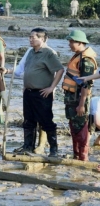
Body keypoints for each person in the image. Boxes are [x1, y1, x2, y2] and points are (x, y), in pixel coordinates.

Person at [22, 28, 64, 157]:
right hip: (28, 92)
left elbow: (60, 70)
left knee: (46, 121)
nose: (30, 39)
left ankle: (53, 150)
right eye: (29, 37)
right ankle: (28, 147)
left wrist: (51, 87)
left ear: (42, 39)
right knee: (29, 121)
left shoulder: (48, 53)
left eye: (33, 37)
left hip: (42, 93)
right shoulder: (30, 52)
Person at [62, 30, 97, 161]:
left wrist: (82, 104)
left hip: (79, 99)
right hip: (71, 97)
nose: (69, 44)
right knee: (73, 126)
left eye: (72, 42)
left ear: (80, 43)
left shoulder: (86, 60)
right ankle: (76, 155)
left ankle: (83, 157)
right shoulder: (78, 55)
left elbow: (86, 84)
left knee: (81, 128)